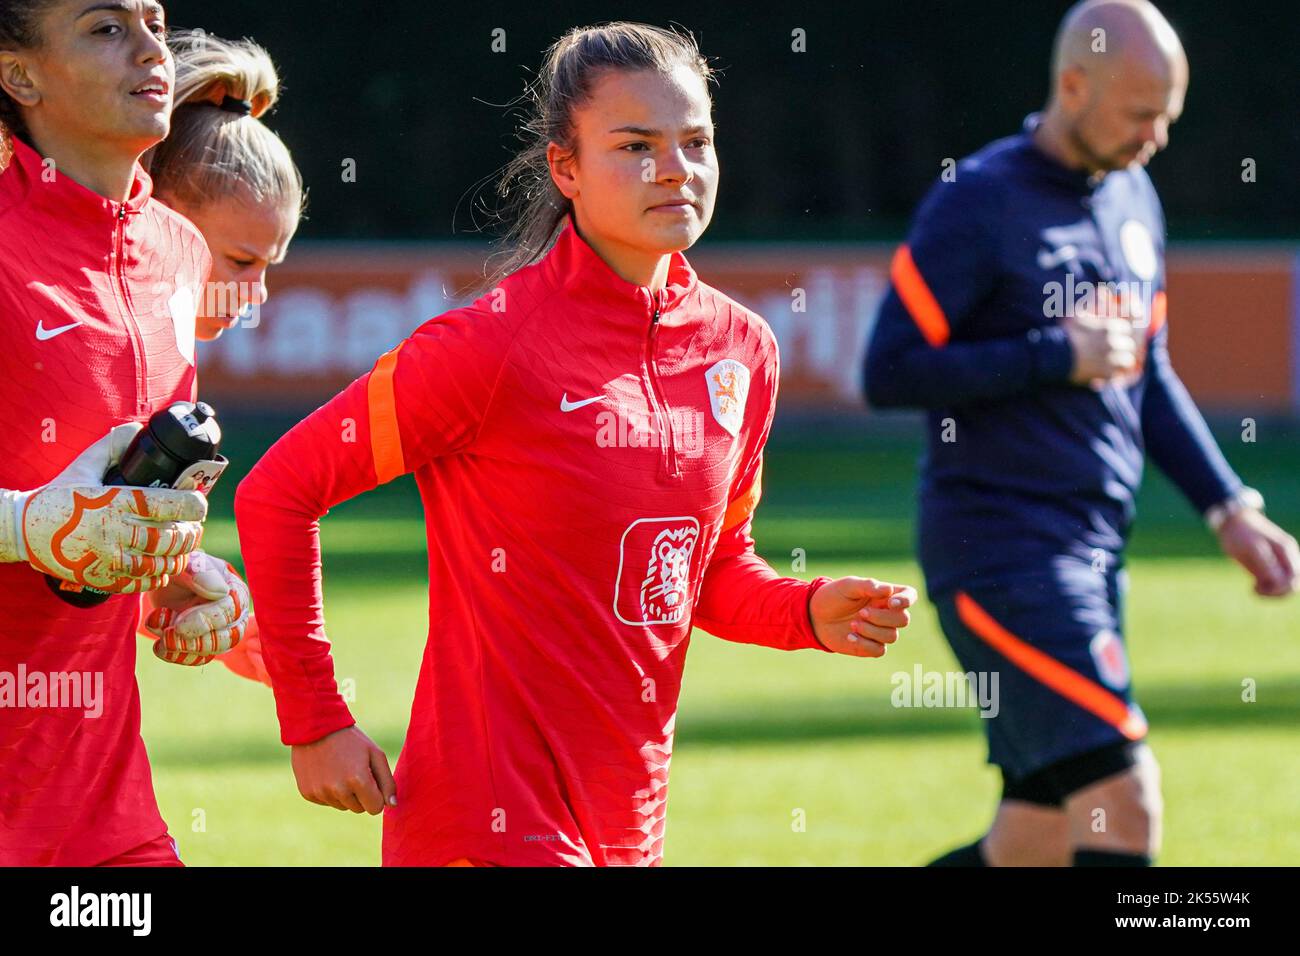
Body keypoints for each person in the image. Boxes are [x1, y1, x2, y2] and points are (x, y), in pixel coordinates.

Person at [235, 21, 918, 867]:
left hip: (627, 827)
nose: (676, 168)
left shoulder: (743, 351)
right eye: (636, 146)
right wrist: (315, 722)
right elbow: (278, 491)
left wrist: (804, 612)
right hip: (481, 819)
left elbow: (703, 575)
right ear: (566, 167)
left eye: (696, 141)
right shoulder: (488, 345)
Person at [864, 0, 1298, 867]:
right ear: (1073, 85)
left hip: (1095, 549)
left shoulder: (1134, 197)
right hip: (1001, 549)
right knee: (1121, 807)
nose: (1157, 137)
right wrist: (1052, 354)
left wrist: (1228, 508)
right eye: (1141, 115)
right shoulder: (980, 199)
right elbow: (889, 371)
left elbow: (1147, 372)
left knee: (1037, 836)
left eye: (1167, 116)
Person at [0, 0, 245, 866]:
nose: (151, 47)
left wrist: (170, 573)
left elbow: (103, 506)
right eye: (106, 28)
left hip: (101, 805)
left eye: (152, 20)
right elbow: (47, 515)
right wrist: (25, 526)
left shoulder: (178, 250)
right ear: (18, 75)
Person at [139, 27, 302, 682]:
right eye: (240, 260)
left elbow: (108, 543)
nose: (255, 294)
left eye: (270, 267)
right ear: (160, 210)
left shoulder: (171, 359)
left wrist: (202, 585)